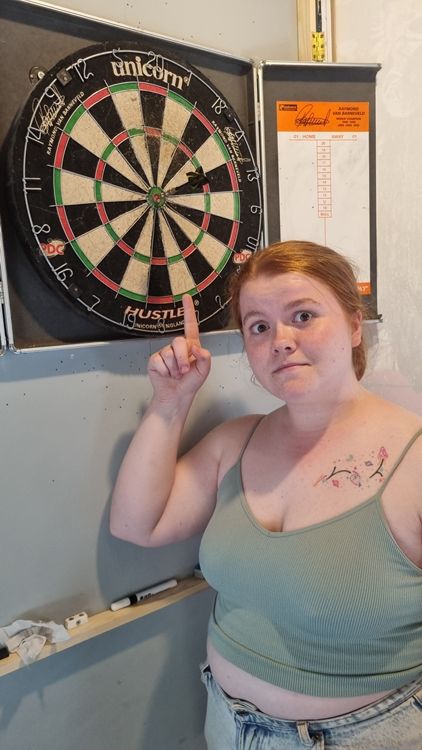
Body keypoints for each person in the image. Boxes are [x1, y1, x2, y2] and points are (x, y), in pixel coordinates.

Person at [110, 240, 422, 749]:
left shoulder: (415, 460)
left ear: (353, 325)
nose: (280, 340)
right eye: (259, 327)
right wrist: (171, 401)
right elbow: (137, 524)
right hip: (227, 724)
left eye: (303, 316)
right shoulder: (237, 441)